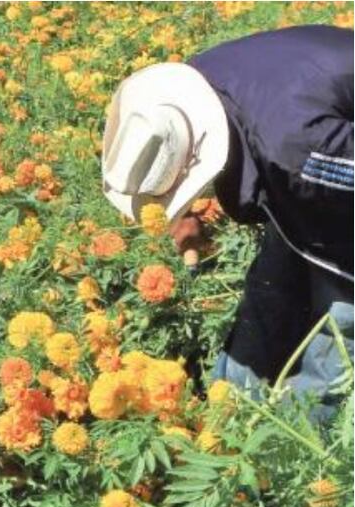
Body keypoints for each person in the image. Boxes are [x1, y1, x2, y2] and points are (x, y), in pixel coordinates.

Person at [101, 24, 353, 414]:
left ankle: (299, 441)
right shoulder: (199, 81)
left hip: (321, 157)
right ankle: (230, 409)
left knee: (340, 326)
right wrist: (183, 208)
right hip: (307, 136)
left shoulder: (295, 149)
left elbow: (298, 152)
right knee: (271, 285)